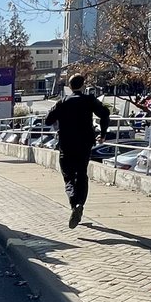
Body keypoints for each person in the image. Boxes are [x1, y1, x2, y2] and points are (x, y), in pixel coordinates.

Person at [44, 73, 110, 228]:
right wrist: (103, 133)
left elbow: (48, 120)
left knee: (68, 177)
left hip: (66, 144)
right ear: (83, 85)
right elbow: (105, 113)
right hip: (85, 144)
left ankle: (74, 203)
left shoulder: (63, 102)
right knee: (82, 174)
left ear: (70, 86)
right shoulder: (89, 100)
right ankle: (80, 203)